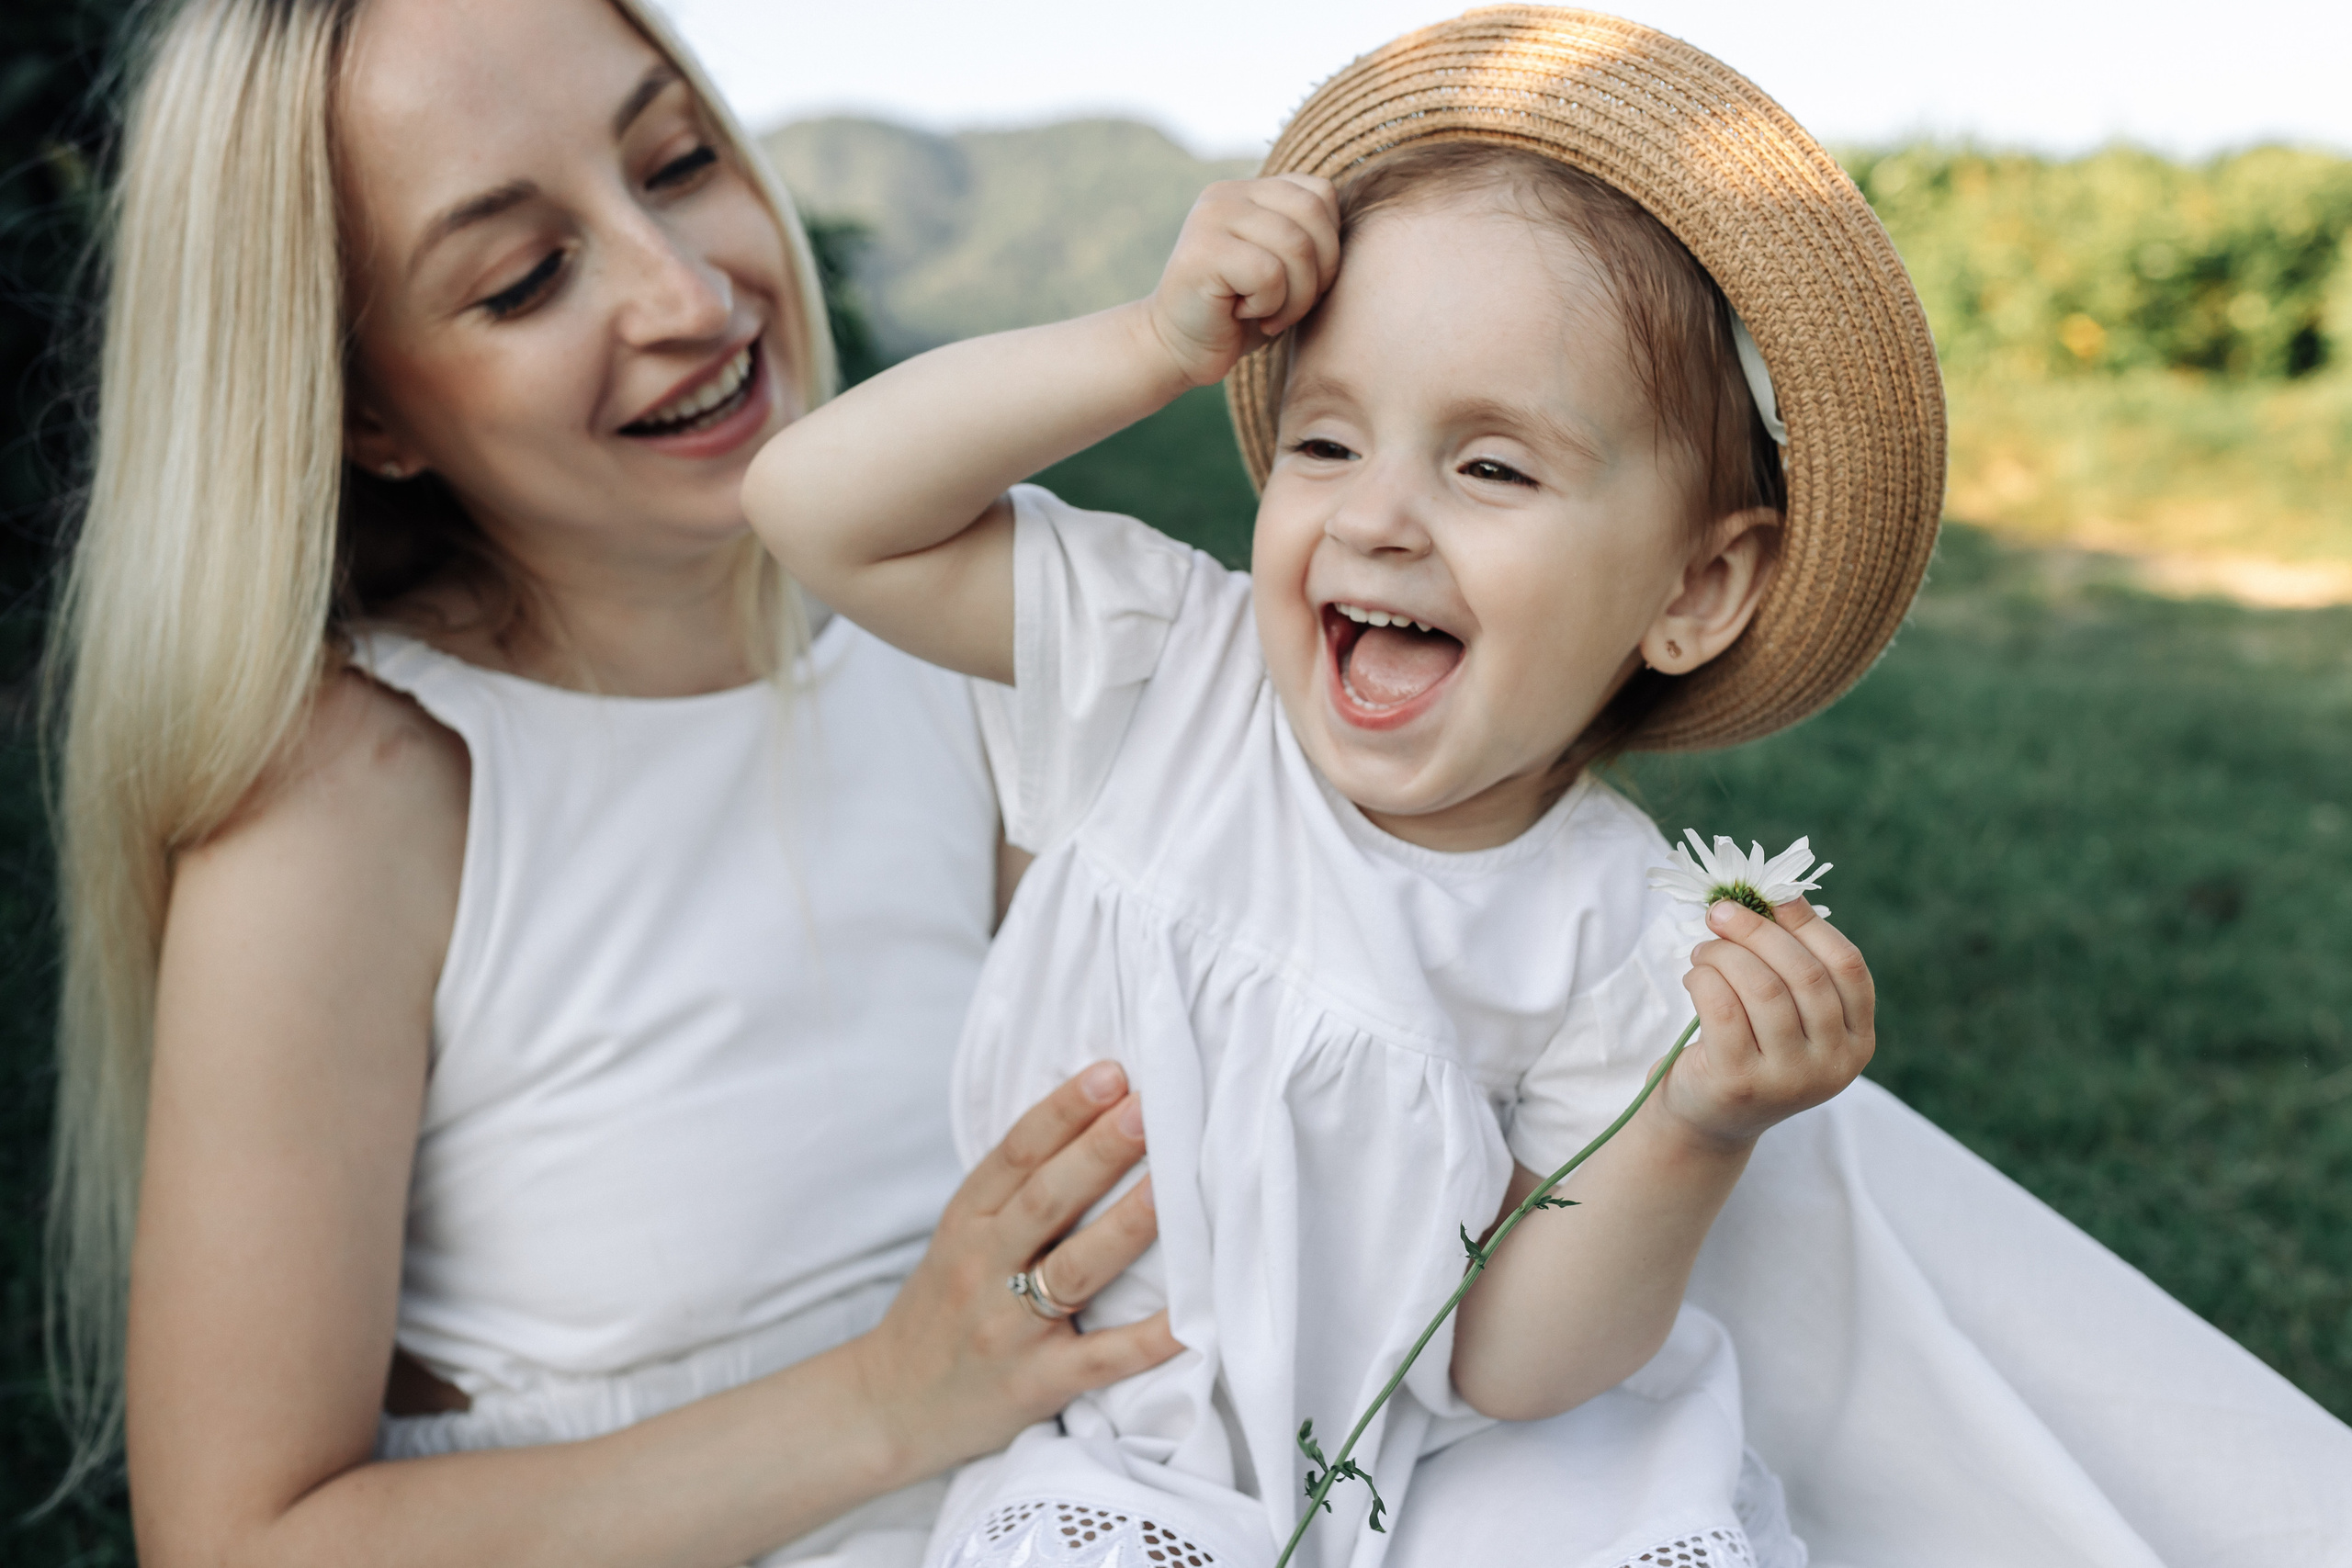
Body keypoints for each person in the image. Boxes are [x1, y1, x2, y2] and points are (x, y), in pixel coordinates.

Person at [742, 11, 2352, 1568]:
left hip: (1442, 1471)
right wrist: (1147, 344)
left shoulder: (1613, 932)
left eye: (1492, 464)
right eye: (1324, 444)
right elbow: (816, 504)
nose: (1377, 517)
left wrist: (1699, 1129)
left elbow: (1510, 1362)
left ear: (1698, 588)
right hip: (1122, 1438)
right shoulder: (1172, 670)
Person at [49, 2, 1182, 1563]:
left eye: (678, 159)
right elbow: (239, 1538)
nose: (688, 291)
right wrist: (890, 1400)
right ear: (366, 409)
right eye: (522, 278)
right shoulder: (358, 795)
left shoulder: (958, 634)